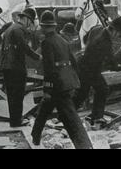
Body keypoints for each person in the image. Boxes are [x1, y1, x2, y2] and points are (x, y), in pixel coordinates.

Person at [31, 11, 92, 149]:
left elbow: (50, 68)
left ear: (43, 26)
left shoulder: (46, 43)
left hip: (57, 86)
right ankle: (34, 138)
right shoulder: (63, 41)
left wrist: (47, 89)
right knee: (43, 111)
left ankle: (84, 146)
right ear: (54, 25)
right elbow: (74, 62)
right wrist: (75, 80)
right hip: (66, 83)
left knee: (70, 117)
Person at [73, 17, 121, 127]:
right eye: (118, 34)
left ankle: (68, 115)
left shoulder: (98, 29)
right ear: (115, 30)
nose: (117, 37)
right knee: (101, 90)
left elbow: (85, 38)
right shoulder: (105, 42)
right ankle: (96, 118)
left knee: (82, 94)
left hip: (85, 65)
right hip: (89, 69)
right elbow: (112, 62)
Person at [0, 7, 42, 127]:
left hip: (7, 67)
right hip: (16, 68)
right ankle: (17, 121)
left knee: (12, 95)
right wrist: (37, 57)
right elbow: (24, 47)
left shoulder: (10, 28)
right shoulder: (19, 29)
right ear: (27, 20)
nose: (30, 25)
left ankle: (14, 120)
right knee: (18, 95)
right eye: (31, 22)